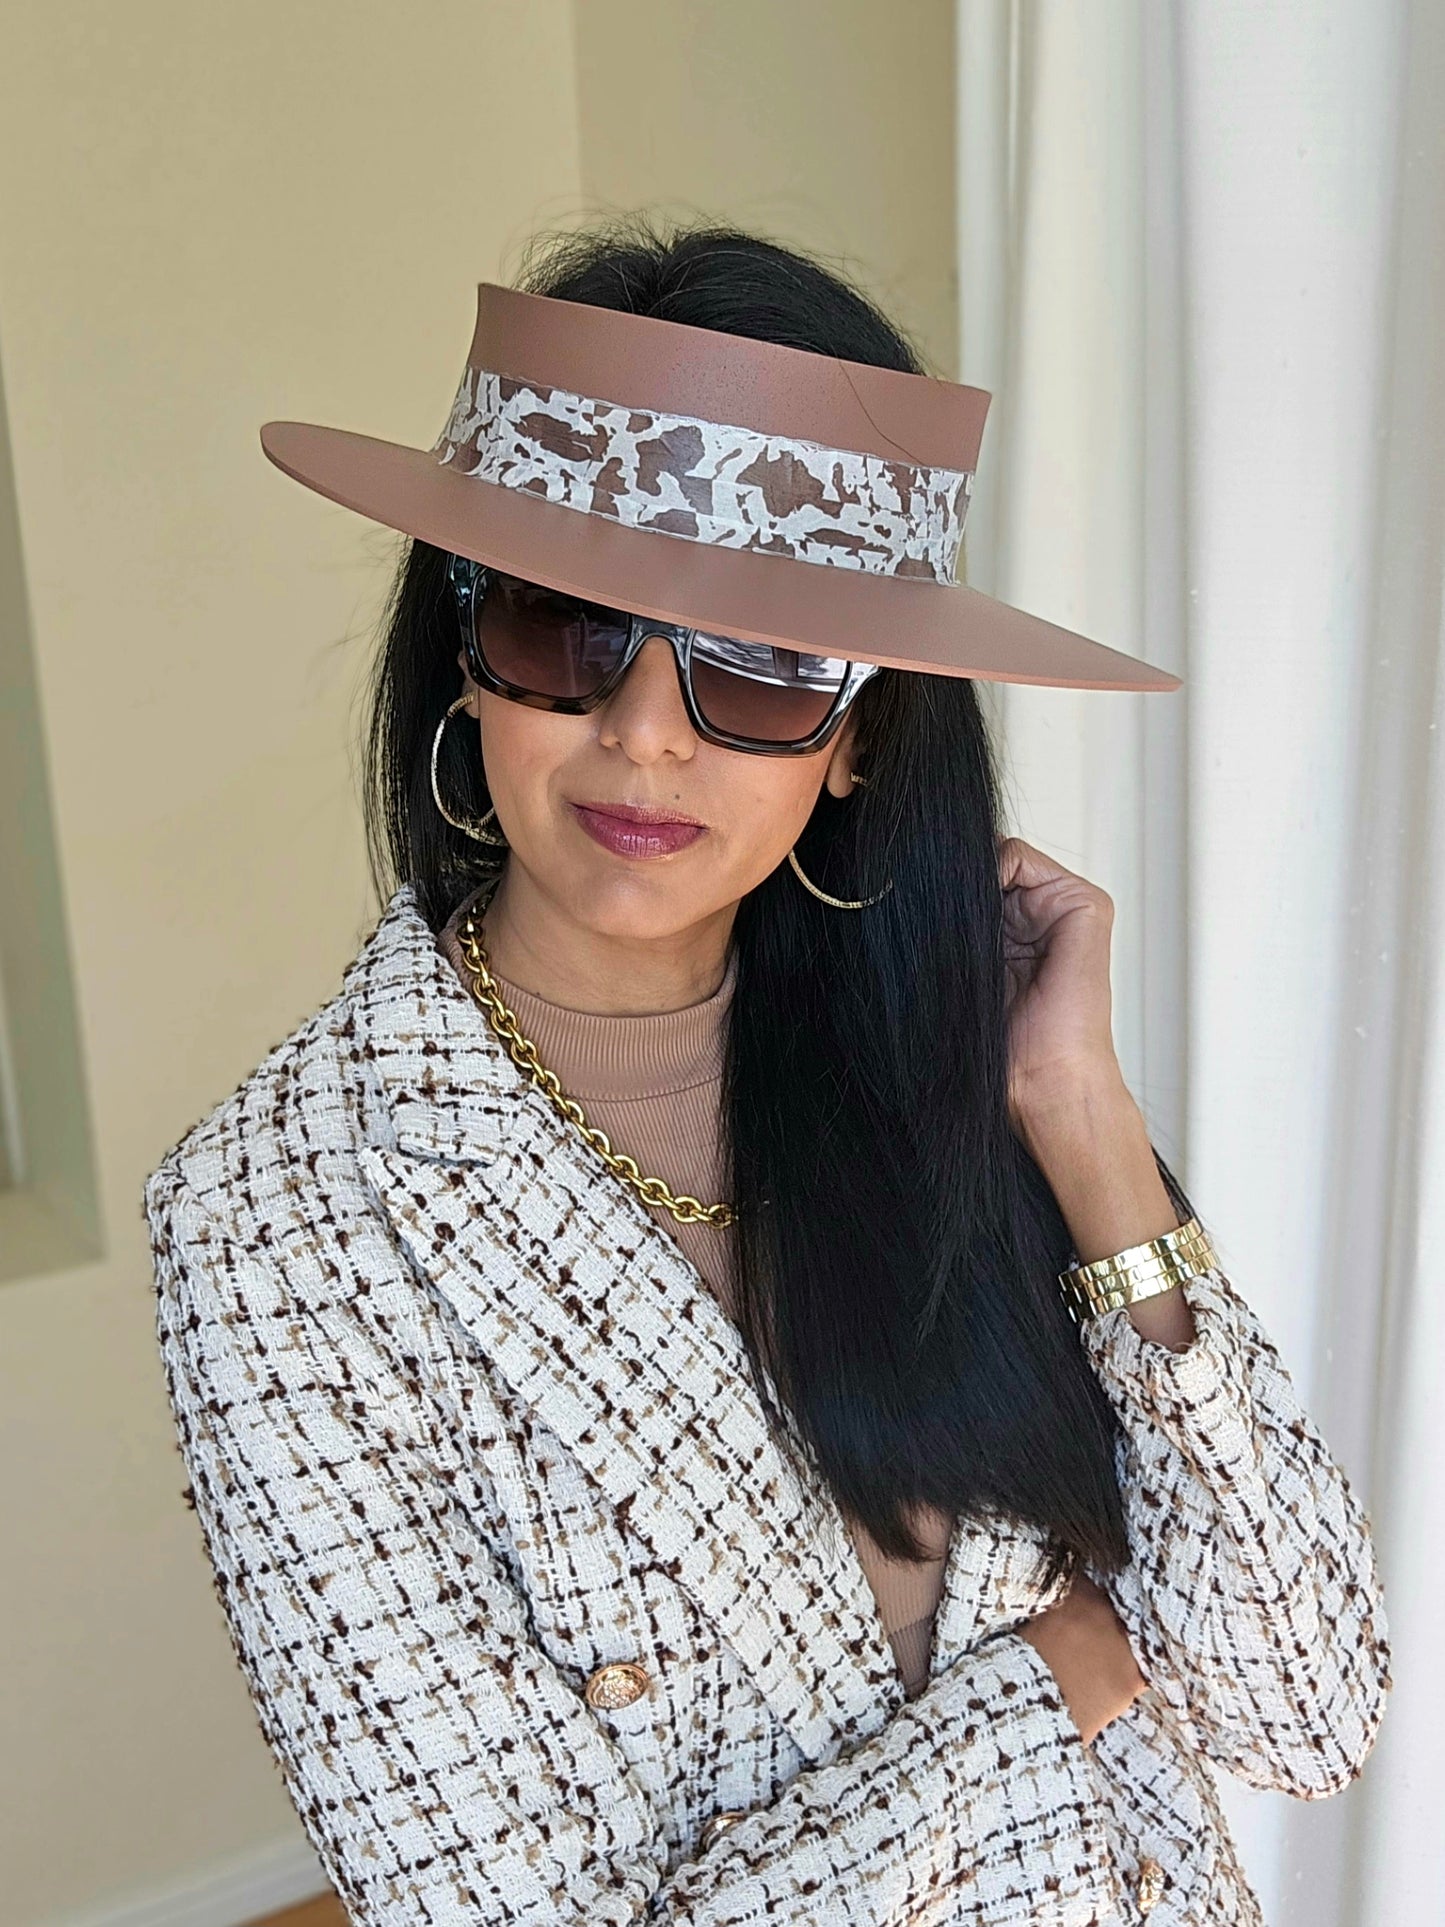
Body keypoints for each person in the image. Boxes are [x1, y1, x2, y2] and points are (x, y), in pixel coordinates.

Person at [143, 215, 1390, 1925]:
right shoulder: (276, 1221)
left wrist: (1084, 1127)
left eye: (761, 662)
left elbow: (1303, 1707)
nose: (646, 730)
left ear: (862, 725)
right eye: (569, 628)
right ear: (465, 654)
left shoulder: (959, 1064)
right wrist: (1055, 1685)